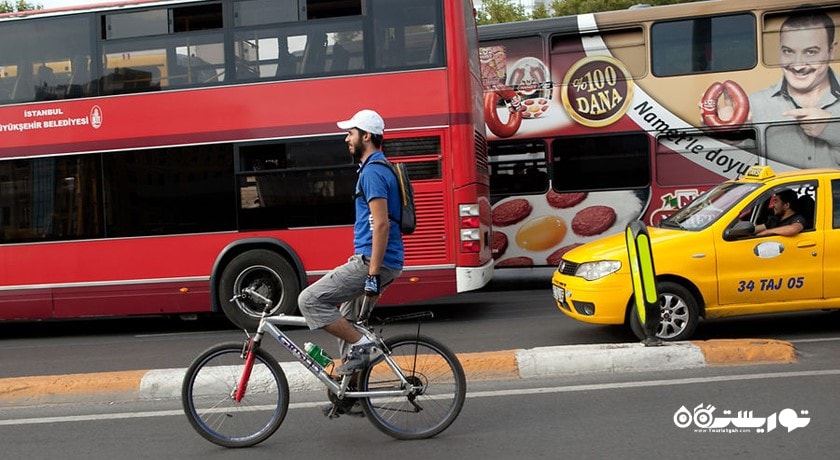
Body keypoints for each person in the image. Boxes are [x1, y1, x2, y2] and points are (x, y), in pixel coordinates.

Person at [298, 109, 404, 378]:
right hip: (378, 260)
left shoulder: (372, 173)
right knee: (349, 322)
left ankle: (365, 346)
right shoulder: (378, 168)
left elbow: (381, 224)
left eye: (350, 133)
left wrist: (372, 276)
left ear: (366, 136)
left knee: (309, 300)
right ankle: (350, 393)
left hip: (372, 262)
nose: (346, 139)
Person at [748, 9, 840, 168]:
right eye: (788, 51)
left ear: (831, 51)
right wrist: (728, 133)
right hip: (781, 193)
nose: (798, 65)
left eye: (811, 52)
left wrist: (830, 128)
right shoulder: (754, 103)